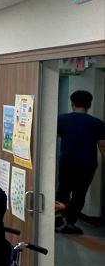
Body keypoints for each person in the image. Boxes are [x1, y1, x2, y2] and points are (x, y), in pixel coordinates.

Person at [56, 90, 105, 234]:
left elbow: (53, 138)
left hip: (66, 162)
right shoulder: (97, 123)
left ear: (72, 104)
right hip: (87, 165)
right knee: (79, 195)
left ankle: (57, 218)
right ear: (89, 105)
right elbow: (102, 146)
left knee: (63, 190)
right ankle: (70, 225)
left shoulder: (61, 119)